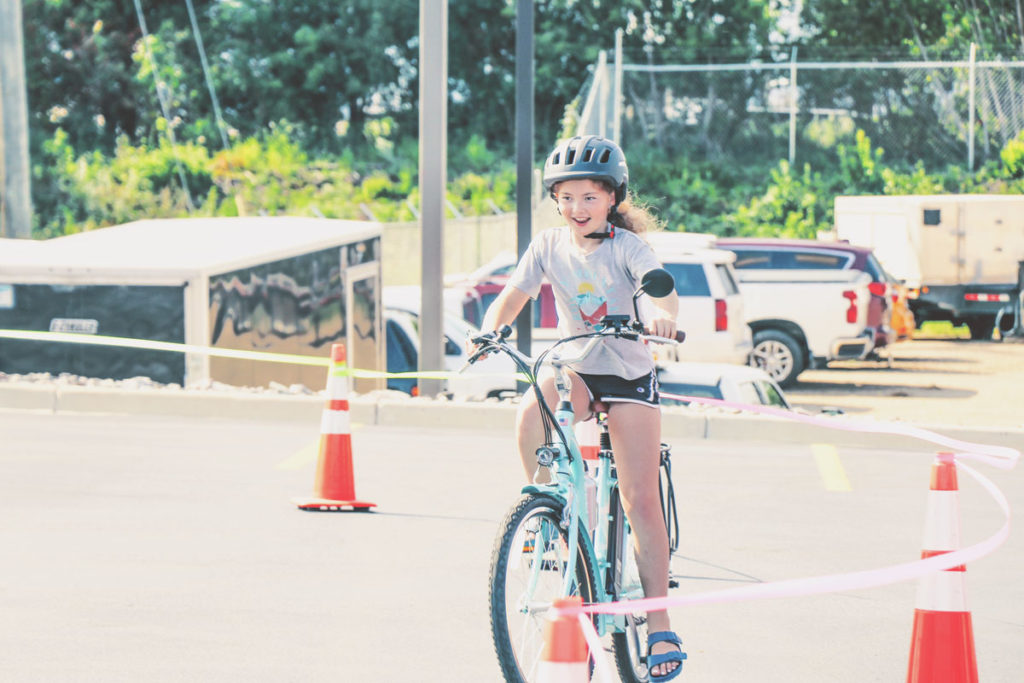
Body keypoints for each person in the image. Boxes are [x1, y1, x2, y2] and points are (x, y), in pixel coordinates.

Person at [477, 135, 685, 681]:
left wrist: (661, 315)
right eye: (566, 198)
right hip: (578, 368)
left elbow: (660, 289)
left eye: (588, 198)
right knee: (532, 407)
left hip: (629, 376)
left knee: (641, 499)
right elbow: (513, 295)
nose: (576, 209)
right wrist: (490, 329)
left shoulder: (627, 248)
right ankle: (552, 507)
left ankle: (660, 623)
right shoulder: (548, 245)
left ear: (612, 198)